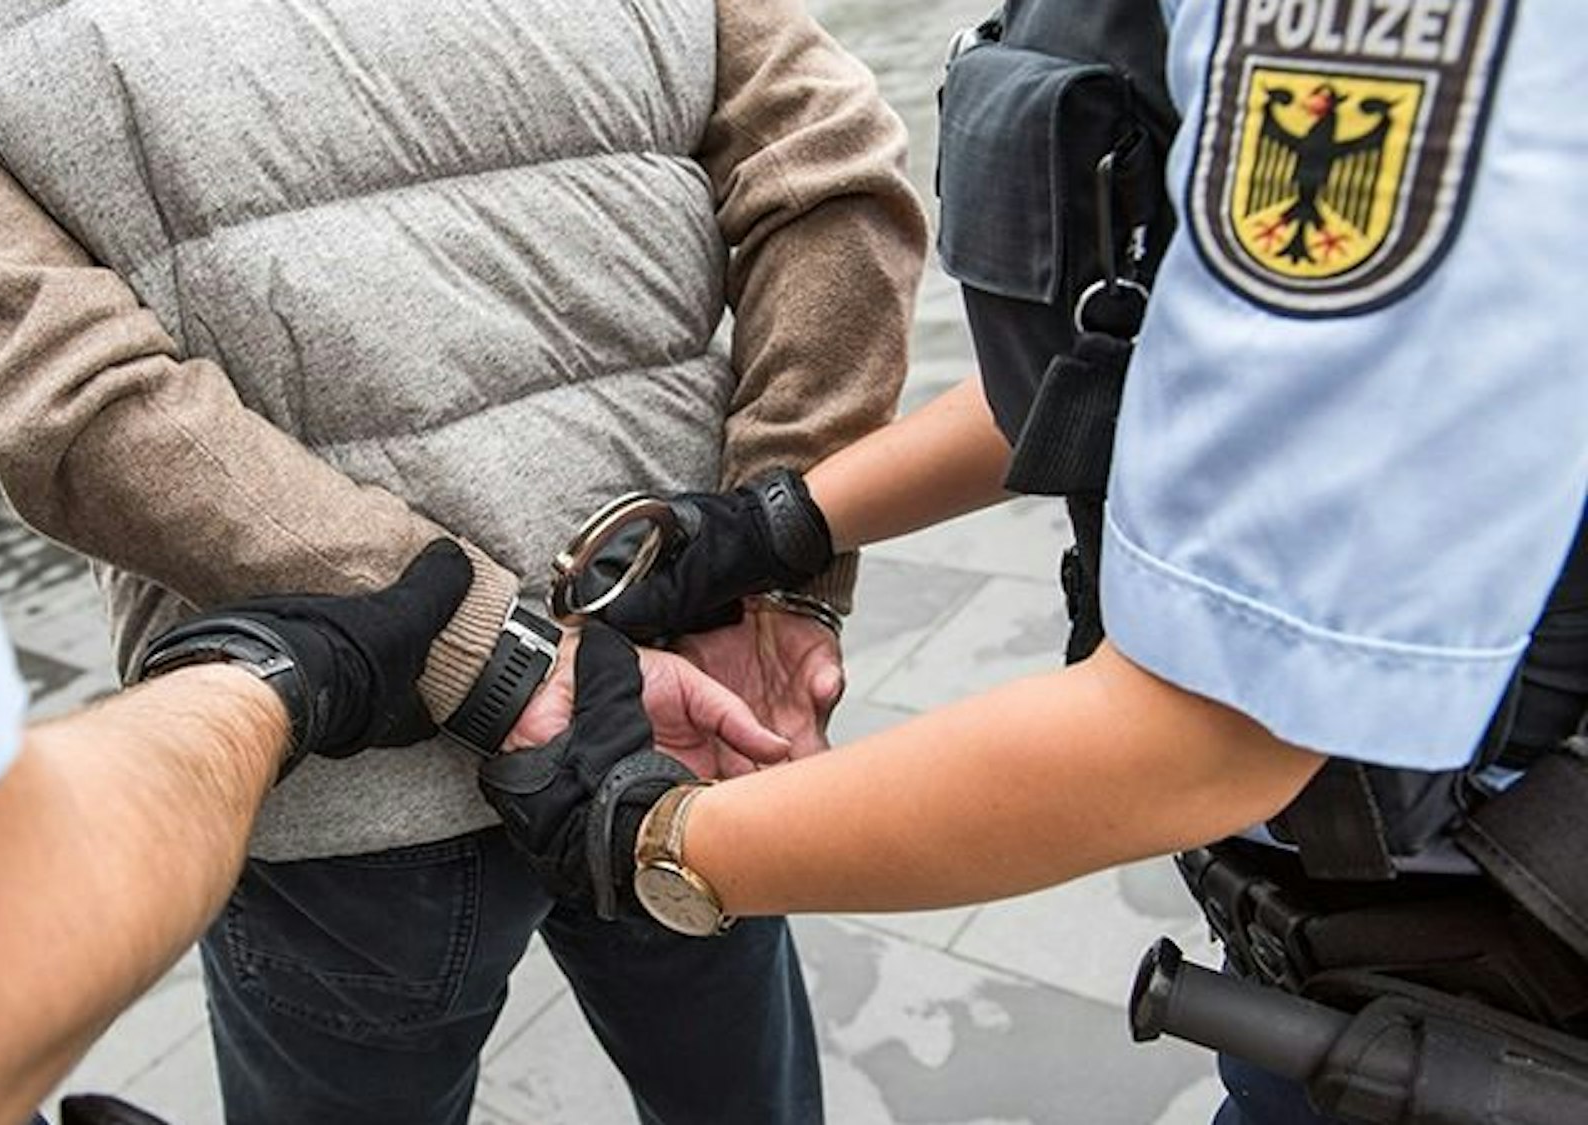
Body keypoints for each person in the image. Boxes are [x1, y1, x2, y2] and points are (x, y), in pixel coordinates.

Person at [0, 4, 715, 1123]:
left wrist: (365, 663)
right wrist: (770, 569)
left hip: (381, 786)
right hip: (680, 681)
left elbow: (55, 373)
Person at [475, 1, 1588, 1122]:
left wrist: (656, 840)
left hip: (1489, 980)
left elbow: (1210, 734)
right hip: (1359, 966)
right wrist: (776, 524)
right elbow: (1153, 379)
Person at [0, 0, 927, 1120]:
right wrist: (761, 557)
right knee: (739, 1090)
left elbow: (70, 393)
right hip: (686, 682)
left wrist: (492, 651)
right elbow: (832, 171)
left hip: (344, 767)